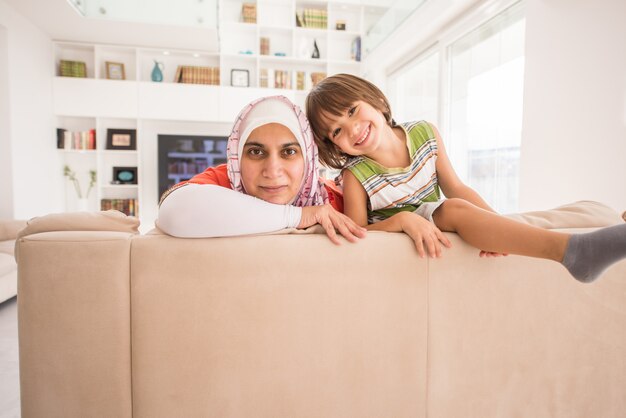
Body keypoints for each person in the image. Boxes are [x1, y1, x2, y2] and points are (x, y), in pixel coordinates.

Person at [305, 73, 626, 283]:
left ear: (374, 100)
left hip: (440, 217)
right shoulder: (356, 175)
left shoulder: (424, 133)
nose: (352, 129)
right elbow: (359, 233)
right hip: (405, 234)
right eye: (337, 131)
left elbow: (455, 186)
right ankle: (575, 252)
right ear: (334, 145)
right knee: (451, 208)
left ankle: (574, 244)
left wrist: (497, 226)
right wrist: (403, 219)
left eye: (351, 111)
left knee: (455, 204)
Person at [157, 95, 366, 244]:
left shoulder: (334, 201)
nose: (272, 171)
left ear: (309, 159)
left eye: (289, 152)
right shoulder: (228, 180)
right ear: (237, 157)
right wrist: (299, 216)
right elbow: (173, 212)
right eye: (256, 152)